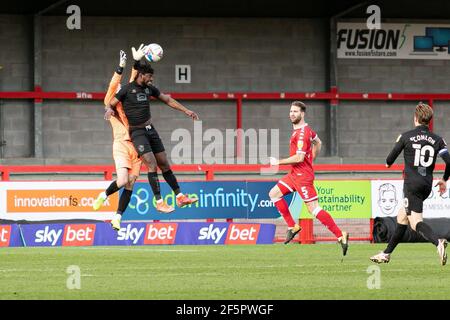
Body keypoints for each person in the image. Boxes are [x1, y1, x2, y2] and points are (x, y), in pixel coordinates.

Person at [104, 44, 199, 212]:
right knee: (151, 163)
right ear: (141, 75)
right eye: (149, 76)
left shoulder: (149, 89)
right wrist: (109, 110)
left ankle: (180, 197)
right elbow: (110, 103)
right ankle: (159, 201)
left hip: (150, 130)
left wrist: (186, 110)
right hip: (137, 133)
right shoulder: (126, 90)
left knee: (164, 163)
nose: (151, 79)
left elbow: (168, 99)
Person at [370, 102, 450, 265]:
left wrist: (398, 143)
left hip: (411, 185)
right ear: (429, 120)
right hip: (427, 186)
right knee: (402, 218)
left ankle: (438, 242)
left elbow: (388, 161)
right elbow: (449, 161)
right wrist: (444, 179)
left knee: (415, 223)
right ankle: (386, 253)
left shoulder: (406, 136)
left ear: (415, 118)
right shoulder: (438, 140)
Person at [268, 101, 349, 256]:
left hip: (303, 177)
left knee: (314, 209)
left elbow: (298, 157)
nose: (292, 114)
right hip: (294, 175)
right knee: (273, 194)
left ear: (302, 114)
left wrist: (277, 162)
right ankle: (293, 226)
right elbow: (318, 142)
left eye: (295, 111)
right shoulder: (306, 131)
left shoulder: (302, 134)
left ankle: (340, 235)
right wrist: (311, 158)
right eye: (291, 111)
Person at [93, 49, 141, 231]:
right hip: (121, 144)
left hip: (137, 146)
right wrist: (120, 67)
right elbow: (114, 84)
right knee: (122, 180)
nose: (121, 89)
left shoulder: (130, 99)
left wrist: (136, 62)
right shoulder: (110, 101)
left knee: (130, 183)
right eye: (119, 89)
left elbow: (133, 81)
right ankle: (103, 196)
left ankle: (117, 217)